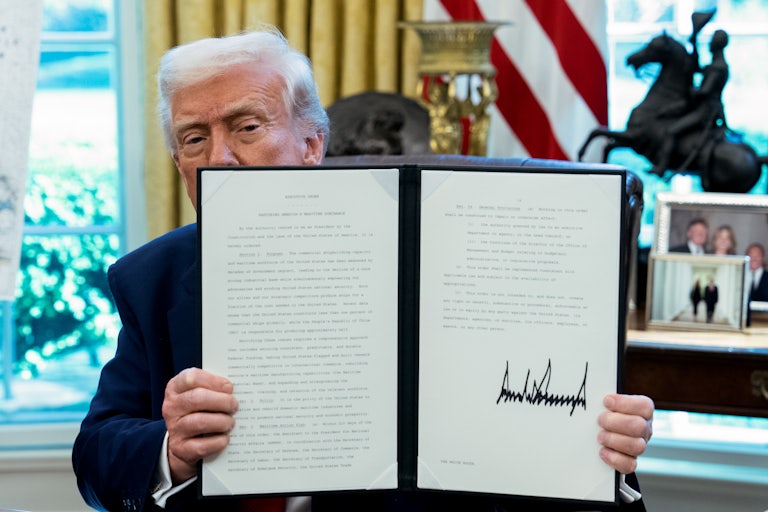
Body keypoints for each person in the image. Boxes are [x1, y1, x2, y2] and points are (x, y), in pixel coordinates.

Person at [71, 26, 654, 512]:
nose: (218, 158)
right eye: (194, 138)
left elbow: (527, 435)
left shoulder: (462, 266)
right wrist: (171, 450)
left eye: (247, 127)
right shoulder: (151, 279)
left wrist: (601, 461)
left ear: (311, 145)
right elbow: (95, 456)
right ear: (178, 163)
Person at [651, 29, 730, 176]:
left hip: (706, 111)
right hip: (704, 108)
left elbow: (705, 91)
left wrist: (692, 90)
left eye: (712, 40)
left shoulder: (718, 67)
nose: (710, 43)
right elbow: (696, 67)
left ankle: (662, 167)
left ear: (717, 44)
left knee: (672, 131)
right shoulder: (715, 65)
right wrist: (694, 41)